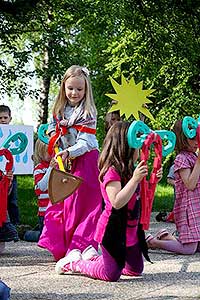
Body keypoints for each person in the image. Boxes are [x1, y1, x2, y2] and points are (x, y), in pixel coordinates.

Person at [55, 121, 162, 281]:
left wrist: (152, 181)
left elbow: (139, 195)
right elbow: (117, 202)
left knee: (134, 271)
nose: (139, 150)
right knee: (110, 275)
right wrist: (135, 180)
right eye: (136, 146)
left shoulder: (131, 169)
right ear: (124, 146)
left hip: (130, 231)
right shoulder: (111, 171)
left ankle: (92, 257)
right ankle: (73, 263)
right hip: (113, 232)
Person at [38, 65, 102, 261]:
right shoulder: (58, 110)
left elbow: (86, 142)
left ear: (86, 90)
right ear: (64, 88)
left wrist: (68, 152)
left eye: (79, 89)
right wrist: (53, 135)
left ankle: (84, 245)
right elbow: (52, 129)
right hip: (65, 160)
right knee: (63, 203)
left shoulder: (88, 112)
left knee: (86, 205)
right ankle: (64, 246)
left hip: (86, 161)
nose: (74, 93)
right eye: (70, 88)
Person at [146, 119, 200, 255]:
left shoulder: (193, 156)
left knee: (195, 246)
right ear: (182, 139)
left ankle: (167, 237)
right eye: (192, 139)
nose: (196, 143)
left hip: (196, 208)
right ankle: (153, 242)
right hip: (188, 210)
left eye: (197, 138)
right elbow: (190, 184)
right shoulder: (182, 158)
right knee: (189, 249)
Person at [23, 139, 57, 242]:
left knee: (54, 236)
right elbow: (42, 187)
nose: (52, 154)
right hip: (45, 212)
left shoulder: (58, 166)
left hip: (56, 210)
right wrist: (50, 169)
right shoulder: (39, 168)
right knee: (44, 238)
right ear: (40, 152)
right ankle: (27, 234)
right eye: (49, 151)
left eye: (53, 150)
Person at [0, 104, 20, 225]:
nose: (2, 120)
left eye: (5, 117)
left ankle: (15, 224)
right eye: (0, 118)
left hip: (12, 172)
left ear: (10, 119)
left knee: (12, 199)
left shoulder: (15, 133)